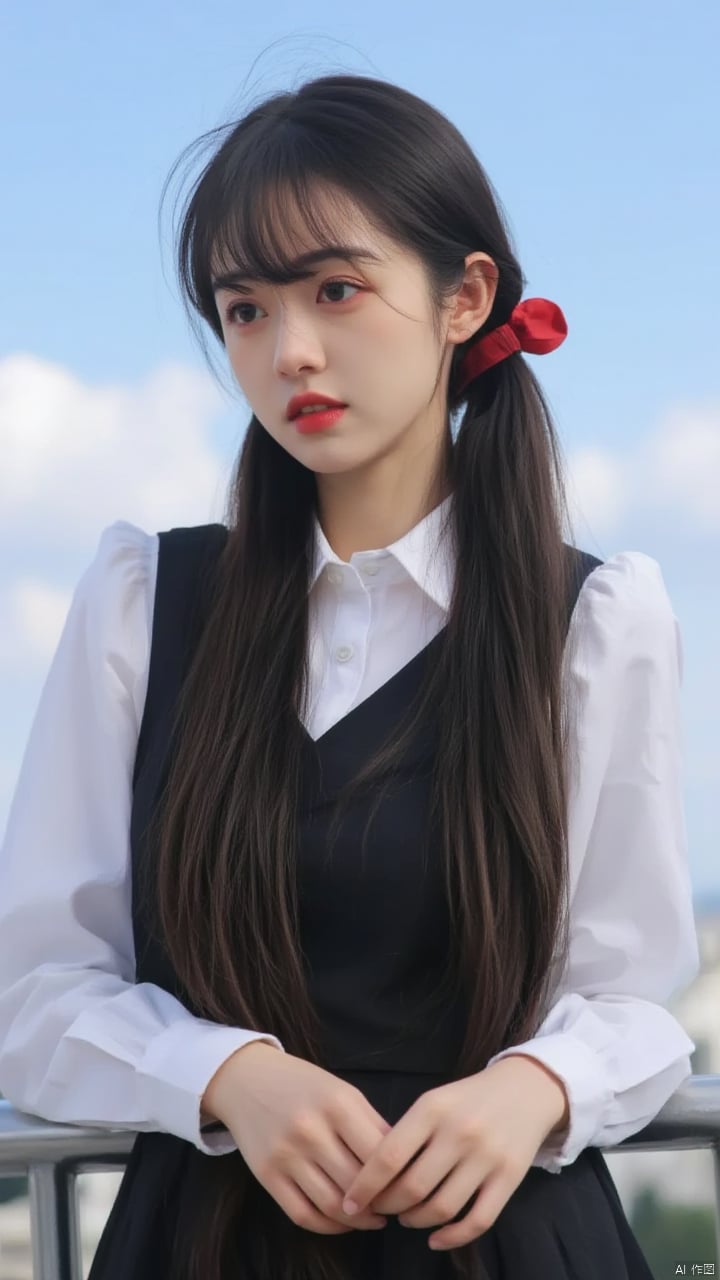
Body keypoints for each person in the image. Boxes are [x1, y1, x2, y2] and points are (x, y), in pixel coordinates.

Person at [0, 73, 700, 1280]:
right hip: (210, 1242)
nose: (293, 351)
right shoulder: (144, 603)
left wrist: (535, 1085)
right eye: (245, 310)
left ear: (463, 295)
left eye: (335, 289)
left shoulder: (590, 618)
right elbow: (39, 989)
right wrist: (226, 1073)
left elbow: (636, 995)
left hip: (501, 1241)